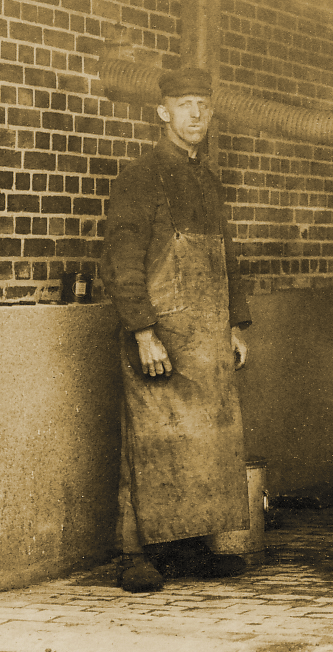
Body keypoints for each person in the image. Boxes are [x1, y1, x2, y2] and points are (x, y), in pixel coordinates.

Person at [102, 66, 255, 592]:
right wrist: (143, 332)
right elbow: (123, 261)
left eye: (203, 105)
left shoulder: (208, 181)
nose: (196, 115)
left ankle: (189, 546)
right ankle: (133, 554)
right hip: (161, 336)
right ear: (162, 111)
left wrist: (235, 324)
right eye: (185, 104)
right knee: (148, 441)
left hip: (208, 335)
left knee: (203, 441)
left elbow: (227, 257)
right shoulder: (139, 178)